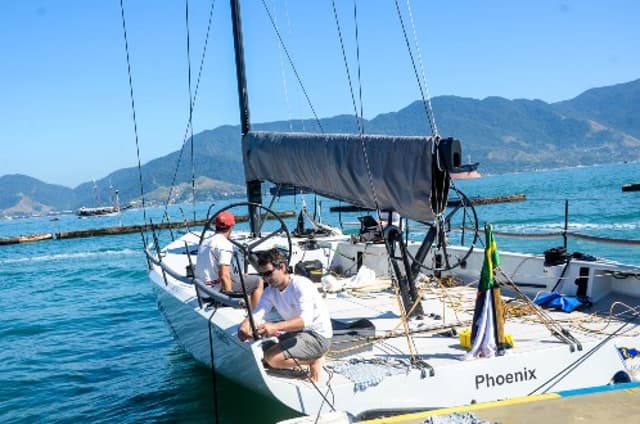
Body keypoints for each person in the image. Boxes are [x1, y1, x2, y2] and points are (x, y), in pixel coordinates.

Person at [238, 248, 332, 382]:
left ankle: (315, 359)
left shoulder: (301, 285)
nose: (266, 278)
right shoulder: (270, 291)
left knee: (272, 359)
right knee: (263, 355)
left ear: (282, 267)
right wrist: (246, 324)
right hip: (298, 333)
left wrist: (275, 327)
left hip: (317, 335)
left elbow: (305, 321)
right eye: (262, 275)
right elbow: (258, 313)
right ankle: (308, 357)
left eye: (269, 273)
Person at [194, 210, 263, 308]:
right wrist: (229, 299)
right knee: (258, 281)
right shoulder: (224, 244)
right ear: (231, 227)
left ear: (216, 226)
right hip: (215, 292)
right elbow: (224, 275)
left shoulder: (206, 241)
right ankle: (255, 315)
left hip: (203, 290)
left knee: (243, 277)